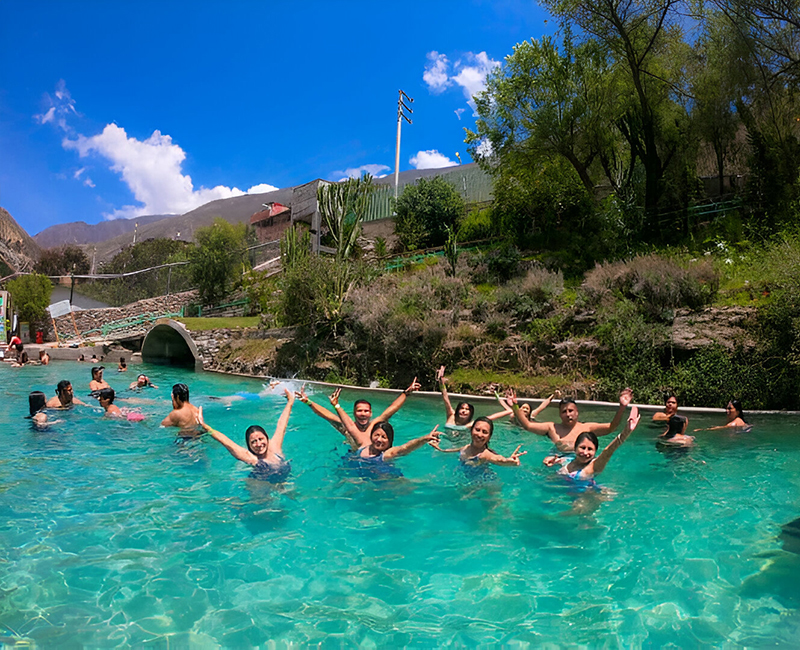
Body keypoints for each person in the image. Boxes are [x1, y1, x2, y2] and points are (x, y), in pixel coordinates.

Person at [196, 388, 295, 482]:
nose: (259, 444)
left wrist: (290, 402)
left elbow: (282, 425)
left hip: (283, 484)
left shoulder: (275, 447)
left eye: (261, 439)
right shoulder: (252, 458)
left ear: (267, 438)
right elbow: (227, 442)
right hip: (260, 486)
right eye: (253, 442)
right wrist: (206, 427)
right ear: (249, 445)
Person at [507, 388, 633, 452]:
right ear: (559, 414)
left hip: (580, 462)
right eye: (564, 412)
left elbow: (611, 427)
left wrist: (622, 407)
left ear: (577, 412)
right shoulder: (552, 428)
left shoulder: (587, 428)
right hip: (556, 462)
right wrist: (515, 406)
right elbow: (527, 425)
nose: (568, 414)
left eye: (571, 411)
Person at [295, 378, 421, 442]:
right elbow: (326, 414)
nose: (363, 414)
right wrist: (308, 402)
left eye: (366, 411)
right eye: (359, 411)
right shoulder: (347, 427)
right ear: (354, 413)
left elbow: (392, 409)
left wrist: (406, 393)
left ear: (370, 413)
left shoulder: (375, 425)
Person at [543, 406, 641, 485]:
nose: (585, 452)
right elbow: (552, 460)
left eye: (590, 449)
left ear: (595, 452)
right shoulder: (566, 460)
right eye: (582, 448)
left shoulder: (594, 465)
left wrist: (627, 431)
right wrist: (550, 461)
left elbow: (609, 451)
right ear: (575, 448)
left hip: (586, 498)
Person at [434, 366, 511, 433]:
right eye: (462, 408)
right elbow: (446, 399)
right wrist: (441, 382)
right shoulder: (451, 415)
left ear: (471, 413)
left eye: (467, 409)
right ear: (458, 410)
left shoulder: (471, 424)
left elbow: (491, 417)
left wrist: (508, 409)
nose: (464, 411)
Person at [430, 417, 527, 467]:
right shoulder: (465, 447)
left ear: (489, 437)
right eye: (477, 430)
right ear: (471, 431)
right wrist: (437, 447)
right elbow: (448, 451)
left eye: (484, 432)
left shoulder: (485, 454)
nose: (480, 435)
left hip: (484, 484)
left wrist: (509, 461)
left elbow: (498, 459)